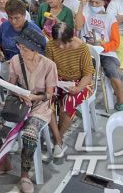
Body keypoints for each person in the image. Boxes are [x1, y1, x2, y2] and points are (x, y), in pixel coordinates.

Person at [0, 27, 56, 193]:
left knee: (30, 134)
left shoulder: (49, 65)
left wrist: (34, 97)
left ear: (36, 50)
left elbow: (49, 94)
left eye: (25, 49)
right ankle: (4, 161)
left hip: (38, 108)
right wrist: (19, 93)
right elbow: (11, 85)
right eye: (20, 47)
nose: (21, 51)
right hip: (17, 103)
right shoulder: (16, 60)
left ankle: (25, 174)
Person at [75, 0, 123, 111]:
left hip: (106, 53)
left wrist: (103, 46)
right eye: (92, 2)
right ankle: (81, 101)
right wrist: (81, 6)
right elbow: (78, 26)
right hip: (87, 52)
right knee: (84, 73)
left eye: (97, 3)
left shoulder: (110, 18)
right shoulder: (85, 12)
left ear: (104, 3)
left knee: (113, 73)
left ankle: (121, 102)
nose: (94, 5)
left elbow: (115, 43)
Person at [44, 21, 94, 158]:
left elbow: (88, 75)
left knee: (68, 103)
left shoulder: (82, 49)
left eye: (63, 43)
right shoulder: (51, 45)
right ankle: (58, 139)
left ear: (71, 39)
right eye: (57, 43)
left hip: (80, 82)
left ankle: (58, 139)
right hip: (58, 80)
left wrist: (78, 88)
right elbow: (49, 68)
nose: (60, 47)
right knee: (46, 99)